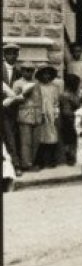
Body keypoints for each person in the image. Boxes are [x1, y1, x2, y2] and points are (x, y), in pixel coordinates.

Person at [13, 63, 42, 171]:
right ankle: (26, 164)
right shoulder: (18, 83)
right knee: (26, 142)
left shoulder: (36, 83)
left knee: (35, 141)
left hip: (37, 114)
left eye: (31, 70)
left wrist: (41, 113)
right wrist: (24, 94)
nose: (28, 72)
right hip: (25, 114)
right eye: (26, 70)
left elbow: (40, 99)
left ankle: (32, 162)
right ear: (22, 71)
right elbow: (14, 99)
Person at [3, 42, 23, 174]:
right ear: (4, 55)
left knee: (11, 136)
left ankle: (16, 165)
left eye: (14, 53)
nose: (12, 56)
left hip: (11, 110)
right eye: (9, 53)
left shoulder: (19, 71)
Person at [35, 63, 60, 168]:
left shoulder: (54, 87)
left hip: (51, 114)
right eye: (44, 74)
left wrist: (56, 114)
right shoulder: (37, 86)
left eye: (48, 74)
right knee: (40, 138)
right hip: (40, 113)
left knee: (52, 137)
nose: (46, 76)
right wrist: (40, 113)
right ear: (40, 75)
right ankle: (39, 161)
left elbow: (56, 102)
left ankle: (52, 160)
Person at [59, 73, 81, 166]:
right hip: (69, 119)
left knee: (70, 139)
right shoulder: (67, 95)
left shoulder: (71, 94)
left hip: (70, 118)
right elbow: (66, 111)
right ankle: (70, 157)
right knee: (70, 139)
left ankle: (71, 155)